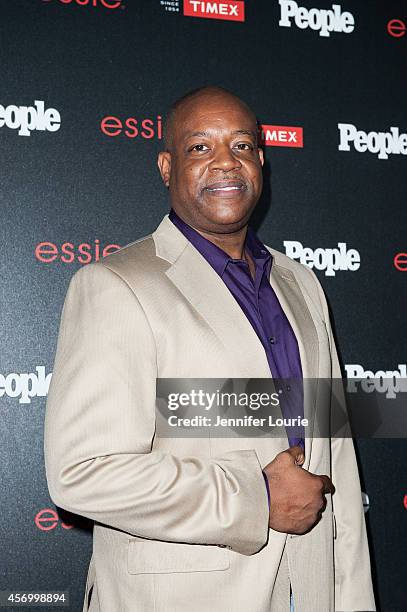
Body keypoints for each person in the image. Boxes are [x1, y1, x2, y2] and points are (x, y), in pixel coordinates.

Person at [44, 86, 376, 612]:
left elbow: (335, 456)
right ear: (166, 166)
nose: (226, 163)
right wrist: (257, 499)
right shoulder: (117, 285)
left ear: (261, 161)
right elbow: (84, 472)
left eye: (242, 145)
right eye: (200, 148)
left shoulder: (301, 284)